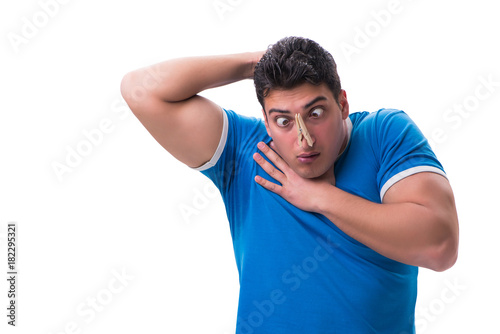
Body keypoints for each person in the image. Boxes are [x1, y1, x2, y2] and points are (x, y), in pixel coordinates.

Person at [120, 36, 459, 333]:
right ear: (266, 121)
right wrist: (256, 63)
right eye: (283, 120)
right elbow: (140, 89)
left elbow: (439, 246)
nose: (304, 139)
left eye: (315, 113)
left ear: (342, 104)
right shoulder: (245, 150)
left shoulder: (384, 133)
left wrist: (319, 197)